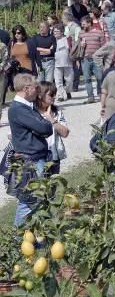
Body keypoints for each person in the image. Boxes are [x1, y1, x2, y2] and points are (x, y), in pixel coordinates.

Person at [7, 73, 53, 226]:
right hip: (30, 160)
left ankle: (38, 237)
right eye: (36, 87)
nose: (38, 90)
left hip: (36, 158)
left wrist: (43, 125)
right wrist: (44, 124)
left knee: (38, 199)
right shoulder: (19, 108)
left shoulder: (27, 106)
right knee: (28, 202)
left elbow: (43, 126)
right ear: (26, 89)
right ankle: (17, 240)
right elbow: (44, 127)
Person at [36, 81, 68, 176]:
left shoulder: (57, 111)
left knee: (52, 187)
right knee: (40, 188)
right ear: (40, 95)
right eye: (51, 95)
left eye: (54, 94)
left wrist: (51, 118)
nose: (54, 97)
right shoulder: (30, 112)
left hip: (54, 156)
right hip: (37, 157)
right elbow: (11, 134)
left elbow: (65, 133)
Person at [62, 12, 82, 93]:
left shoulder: (76, 27)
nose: (62, 20)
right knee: (70, 67)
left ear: (66, 19)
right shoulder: (66, 27)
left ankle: (75, 85)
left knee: (76, 67)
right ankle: (69, 84)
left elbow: (78, 39)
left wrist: (75, 50)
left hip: (75, 49)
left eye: (62, 18)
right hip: (68, 49)